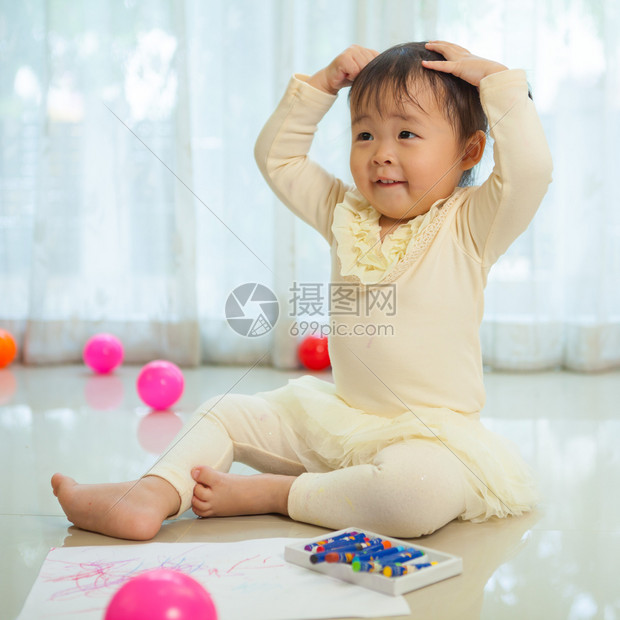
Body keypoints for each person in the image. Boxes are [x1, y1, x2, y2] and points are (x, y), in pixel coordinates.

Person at [52, 41, 552, 541]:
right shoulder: (345, 212)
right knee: (225, 412)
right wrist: (322, 86)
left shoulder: (469, 226)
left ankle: (277, 493)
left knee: (414, 494)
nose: (381, 153)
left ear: (468, 151)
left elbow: (529, 172)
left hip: (430, 436)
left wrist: (496, 80)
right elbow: (278, 159)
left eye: (406, 133)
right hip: (339, 422)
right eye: (364, 134)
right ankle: (152, 492)